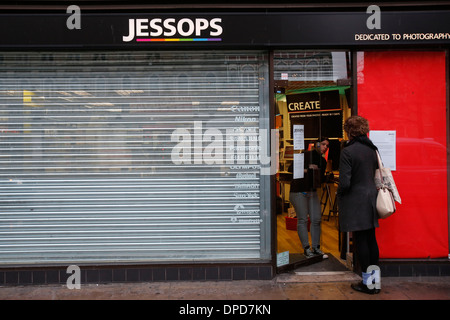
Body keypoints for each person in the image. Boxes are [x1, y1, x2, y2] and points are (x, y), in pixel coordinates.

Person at [337, 115, 380, 295]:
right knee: (371, 240)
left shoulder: (348, 151)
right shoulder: (371, 149)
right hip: (371, 199)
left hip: (356, 201)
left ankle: (368, 284)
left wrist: (340, 193)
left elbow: (345, 183)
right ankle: (374, 283)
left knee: (361, 242)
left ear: (349, 131)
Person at [289, 137, 330, 258]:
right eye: (323, 144)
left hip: (312, 191)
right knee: (303, 219)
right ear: (316, 144)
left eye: (327, 146)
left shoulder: (323, 161)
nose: (325, 147)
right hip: (298, 190)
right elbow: (291, 169)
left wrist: (325, 176)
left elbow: (320, 179)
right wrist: (307, 170)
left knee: (316, 219)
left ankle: (316, 247)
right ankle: (306, 248)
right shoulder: (306, 154)